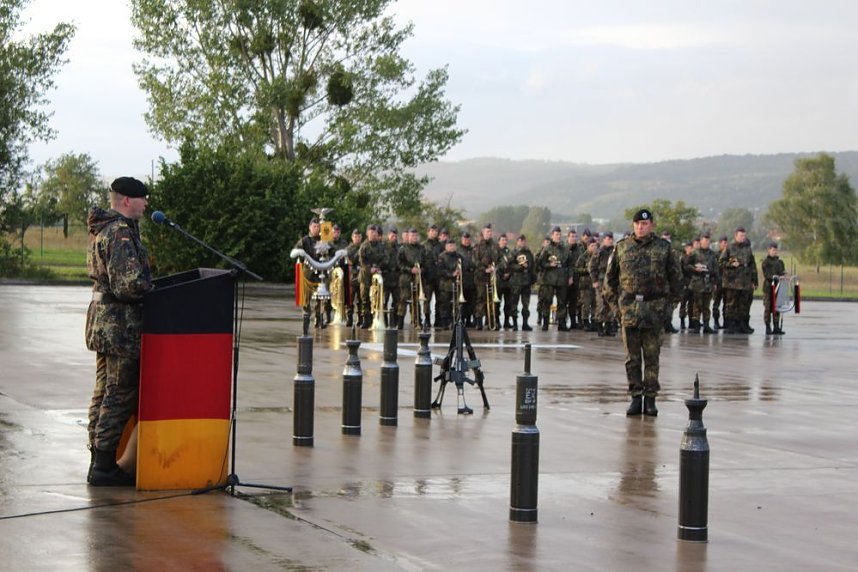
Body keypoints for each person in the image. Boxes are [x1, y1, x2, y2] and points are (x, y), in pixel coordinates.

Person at [85, 177, 153, 486]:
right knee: (119, 394)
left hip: (104, 321)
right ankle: (103, 467)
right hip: (120, 326)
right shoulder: (120, 233)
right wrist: (152, 289)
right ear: (127, 200)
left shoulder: (103, 228)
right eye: (142, 198)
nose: (146, 203)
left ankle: (97, 460)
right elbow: (129, 284)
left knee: (104, 392)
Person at [605, 208, 683, 417]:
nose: (641, 227)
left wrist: (668, 308)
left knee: (652, 357)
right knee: (631, 359)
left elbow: (677, 282)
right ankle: (635, 397)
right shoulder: (621, 248)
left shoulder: (664, 249)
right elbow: (609, 282)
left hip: (654, 310)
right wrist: (617, 308)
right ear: (633, 226)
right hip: (629, 310)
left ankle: (650, 399)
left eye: (645, 224)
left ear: (652, 225)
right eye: (638, 224)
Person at [719, 226, 758, 334]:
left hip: (744, 282)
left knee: (743, 305)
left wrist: (754, 281)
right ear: (736, 236)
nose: (743, 238)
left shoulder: (747, 249)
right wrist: (731, 264)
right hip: (732, 282)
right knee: (731, 305)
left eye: (744, 236)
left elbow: (752, 265)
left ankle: (742, 325)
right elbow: (721, 262)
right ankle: (730, 325)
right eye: (741, 236)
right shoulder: (729, 248)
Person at [536, 226, 570, 331]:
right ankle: (545, 323)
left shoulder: (565, 248)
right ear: (552, 236)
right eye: (556, 234)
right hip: (549, 279)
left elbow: (569, 264)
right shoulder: (547, 248)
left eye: (559, 234)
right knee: (547, 301)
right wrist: (549, 264)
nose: (558, 236)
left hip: (561, 279)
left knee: (562, 302)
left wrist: (570, 276)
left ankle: (561, 323)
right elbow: (539, 263)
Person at [686, 233, 719, 333]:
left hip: (708, 282)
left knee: (706, 305)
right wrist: (695, 269)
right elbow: (686, 264)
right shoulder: (695, 253)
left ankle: (706, 325)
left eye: (708, 241)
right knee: (697, 305)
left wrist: (715, 282)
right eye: (705, 241)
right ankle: (696, 325)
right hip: (697, 282)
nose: (707, 243)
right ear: (700, 241)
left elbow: (715, 269)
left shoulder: (712, 254)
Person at [509, 234, 536, 331]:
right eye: (520, 240)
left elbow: (533, 266)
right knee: (514, 304)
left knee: (526, 304)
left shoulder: (529, 253)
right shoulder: (514, 252)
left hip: (526, 282)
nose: (522, 242)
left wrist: (533, 279)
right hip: (516, 282)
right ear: (517, 241)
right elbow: (510, 265)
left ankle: (525, 323)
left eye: (524, 241)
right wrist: (520, 267)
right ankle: (515, 324)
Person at [761, 242, 786, 335]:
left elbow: (782, 272)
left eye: (776, 250)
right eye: (773, 250)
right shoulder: (765, 262)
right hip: (769, 288)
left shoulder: (780, 262)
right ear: (769, 250)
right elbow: (767, 275)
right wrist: (776, 277)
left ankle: (776, 326)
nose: (775, 252)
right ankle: (768, 326)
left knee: (777, 307)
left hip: (778, 287)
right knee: (768, 308)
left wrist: (783, 276)